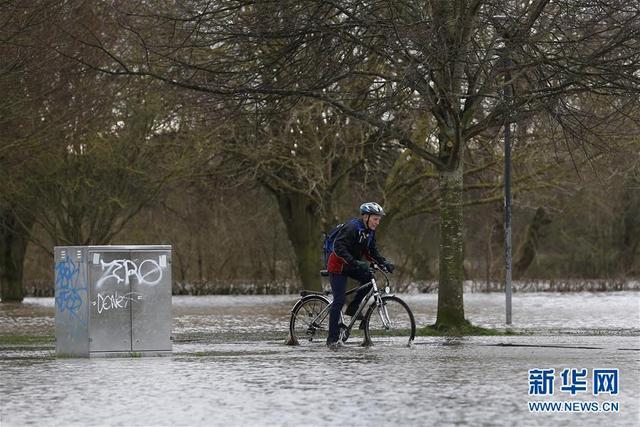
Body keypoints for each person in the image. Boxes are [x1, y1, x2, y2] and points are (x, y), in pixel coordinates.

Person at [325, 202, 395, 349]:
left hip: (352, 264)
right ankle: (331, 339)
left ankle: (353, 308)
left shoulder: (370, 231)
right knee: (339, 300)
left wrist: (383, 263)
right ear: (366, 217)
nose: (377, 222)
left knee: (369, 279)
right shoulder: (351, 228)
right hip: (338, 266)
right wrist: (356, 262)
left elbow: (372, 251)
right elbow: (338, 248)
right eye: (375, 219)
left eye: (378, 219)